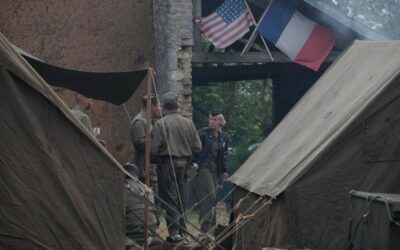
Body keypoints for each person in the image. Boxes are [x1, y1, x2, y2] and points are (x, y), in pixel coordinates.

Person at [152, 92, 202, 239]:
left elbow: (155, 149)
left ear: (165, 106)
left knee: (170, 200)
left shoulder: (160, 124)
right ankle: (183, 234)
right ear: (177, 105)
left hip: (167, 166)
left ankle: (174, 236)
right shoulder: (189, 123)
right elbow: (198, 147)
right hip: (185, 165)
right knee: (181, 200)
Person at [194, 111, 229, 233]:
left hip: (216, 170)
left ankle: (212, 229)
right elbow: (194, 149)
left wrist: (224, 170)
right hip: (203, 168)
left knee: (214, 200)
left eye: (215, 119)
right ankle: (204, 229)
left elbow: (224, 155)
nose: (212, 122)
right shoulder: (202, 133)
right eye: (211, 119)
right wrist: (194, 164)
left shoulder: (223, 136)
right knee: (209, 197)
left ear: (220, 122)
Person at [123, 163, 162, 250]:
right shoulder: (147, 189)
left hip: (131, 234)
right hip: (150, 233)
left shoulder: (120, 188)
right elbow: (156, 215)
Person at [130, 95, 160, 184]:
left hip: (150, 166)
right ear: (152, 106)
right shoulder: (140, 121)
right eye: (158, 106)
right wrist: (153, 136)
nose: (160, 108)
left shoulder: (150, 120)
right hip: (142, 167)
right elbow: (139, 144)